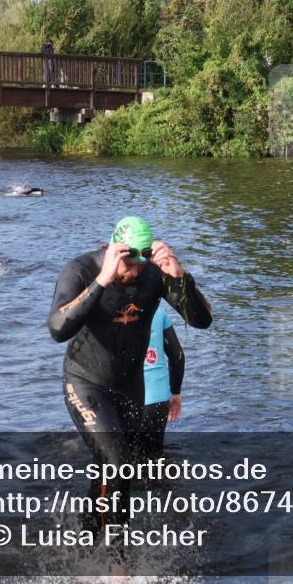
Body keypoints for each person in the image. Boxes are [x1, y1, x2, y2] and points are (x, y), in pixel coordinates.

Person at [47, 216, 212, 522]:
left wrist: (179, 275)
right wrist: (103, 280)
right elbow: (57, 329)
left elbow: (202, 320)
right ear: (112, 249)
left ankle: (88, 536)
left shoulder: (152, 273)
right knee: (119, 462)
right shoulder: (81, 270)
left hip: (129, 387)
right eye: (128, 263)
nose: (135, 272)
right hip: (85, 381)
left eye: (141, 263)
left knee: (107, 467)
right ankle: (118, 560)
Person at [140, 303, 185, 459]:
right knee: (154, 456)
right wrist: (176, 394)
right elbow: (177, 356)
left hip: (122, 397)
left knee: (120, 461)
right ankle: (161, 482)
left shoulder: (110, 308)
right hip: (157, 398)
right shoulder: (158, 310)